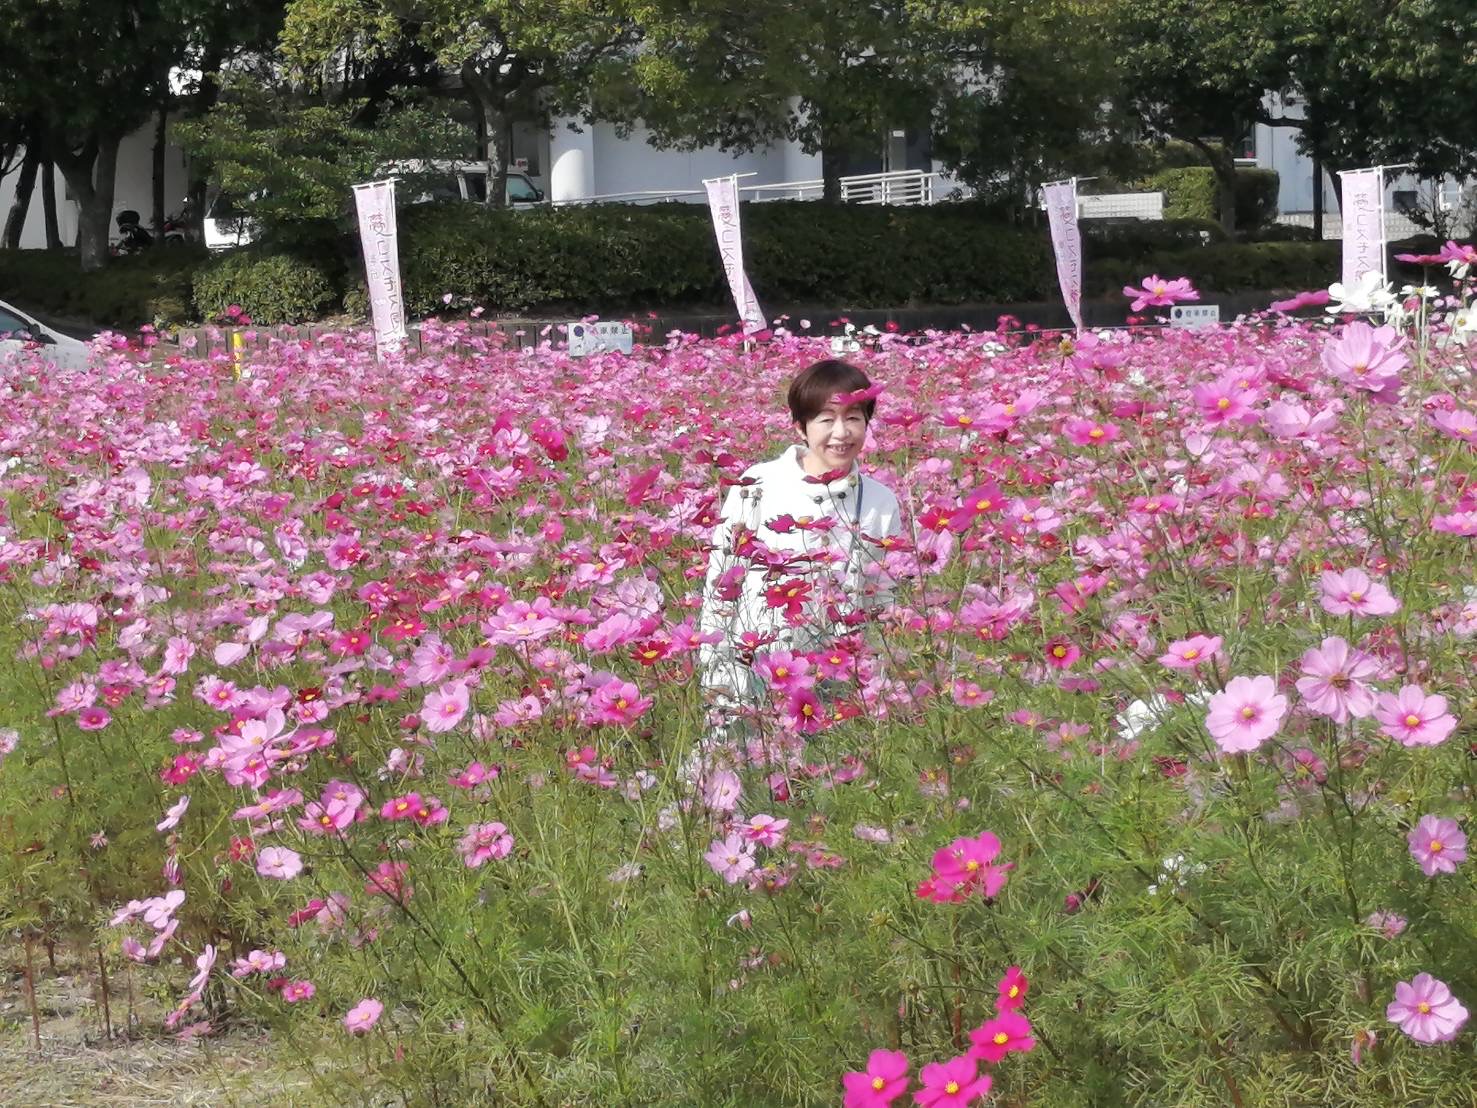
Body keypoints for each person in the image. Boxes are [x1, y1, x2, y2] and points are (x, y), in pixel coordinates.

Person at [698, 359, 902, 715]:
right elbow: (723, 580)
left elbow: (883, 599)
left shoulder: (881, 501)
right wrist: (714, 670)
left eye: (854, 418)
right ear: (801, 427)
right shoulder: (757, 485)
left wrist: (875, 677)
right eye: (826, 419)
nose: (842, 433)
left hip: (842, 671)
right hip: (755, 666)